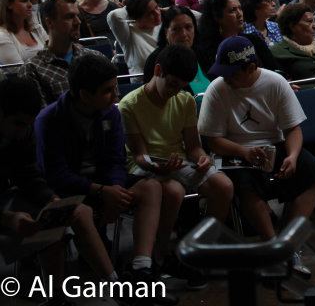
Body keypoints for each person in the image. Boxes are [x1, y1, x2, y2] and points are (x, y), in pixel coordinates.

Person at [35, 53, 176, 284]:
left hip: (103, 184)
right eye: (108, 90)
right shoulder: (50, 120)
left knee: (151, 187)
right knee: (82, 212)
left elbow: (115, 159)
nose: (116, 95)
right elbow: (56, 175)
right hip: (70, 190)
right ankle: (114, 283)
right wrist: (101, 191)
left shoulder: (110, 112)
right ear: (84, 95)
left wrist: (116, 191)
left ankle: (142, 268)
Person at [198, 36, 315, 278]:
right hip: (233, 150)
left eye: (232, 73)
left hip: (273, 145)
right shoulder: (218, 89)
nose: (226, 78)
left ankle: (289, 244)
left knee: (314, 175)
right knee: (246, 186)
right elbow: (212, 139)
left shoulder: (275, 82)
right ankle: (272, 247)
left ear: (251, 68)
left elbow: (292, 129)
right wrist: (243, 151)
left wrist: (293, 155)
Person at [119, 44, 233, 285]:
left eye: (181, 87)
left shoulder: (184, 100)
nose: (174, 91)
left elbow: (192, 146)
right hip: (147, 166)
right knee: (173, 189)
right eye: (171, 84)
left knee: (223, 186)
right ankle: (160, 255)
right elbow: (139, 155)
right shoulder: (130, 104)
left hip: (177, 162)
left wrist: (202, 158)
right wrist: (156, 166)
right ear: (158, 71)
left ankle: (201, 249)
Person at [0, 76, 120, 300]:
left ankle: (111, 286)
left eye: (27, 124)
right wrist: (8, 218)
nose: (22, 131)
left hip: (9, 196)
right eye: (18, 123)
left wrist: (52, 200)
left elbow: (28, 174)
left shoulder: (22, 130)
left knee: (73, 212)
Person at [20, 0, 96, 106]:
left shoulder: (94, 58)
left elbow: (111, 107)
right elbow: (41, 118)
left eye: (77, 16)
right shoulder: (33, 69)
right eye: (69, 17)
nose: (78, 22)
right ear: (50, 22)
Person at [142, 6, 209, 95]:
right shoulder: (156, 61)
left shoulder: (201, 52)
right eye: (176, 29)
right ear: (166, 32)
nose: (183, 34)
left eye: (188, 27)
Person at [270, 3, 315, 80]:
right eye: (309, 21)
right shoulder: (277, 52)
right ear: (292, 26)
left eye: (314, 21)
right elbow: (275, 85)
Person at [107, 0, 162, 75]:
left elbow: (189, 13)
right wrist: (129, 7)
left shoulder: (163, 26)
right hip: (143, 83)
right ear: (137, 17)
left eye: (157, 7)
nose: (157, 14)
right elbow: (114, 16)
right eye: (150, 13)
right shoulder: (129, 33)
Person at [0, 0, 45, 65]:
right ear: (9, 4)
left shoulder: (36, 28)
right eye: (24, 1)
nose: (29, 5)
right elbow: (19, 72)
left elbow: (53, 56)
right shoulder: (2, 36)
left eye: (30, 1)